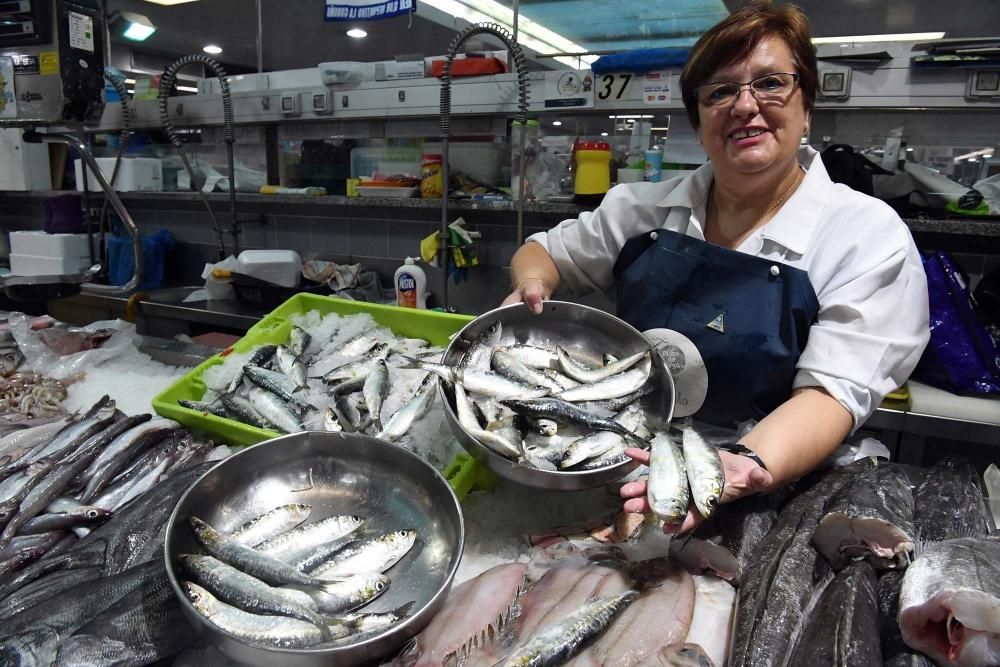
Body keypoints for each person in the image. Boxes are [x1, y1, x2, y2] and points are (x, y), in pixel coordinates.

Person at [502, 0, 930, 533]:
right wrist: (532, 283)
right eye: (721, 91)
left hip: (783, 488)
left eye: (771, 83)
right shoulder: (641, 208)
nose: (745, 106)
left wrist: (734, 468)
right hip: (639, 468)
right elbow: (543, 251)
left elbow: (830, 396)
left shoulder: (865, 234)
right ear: (699, 121)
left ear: (808, 104)